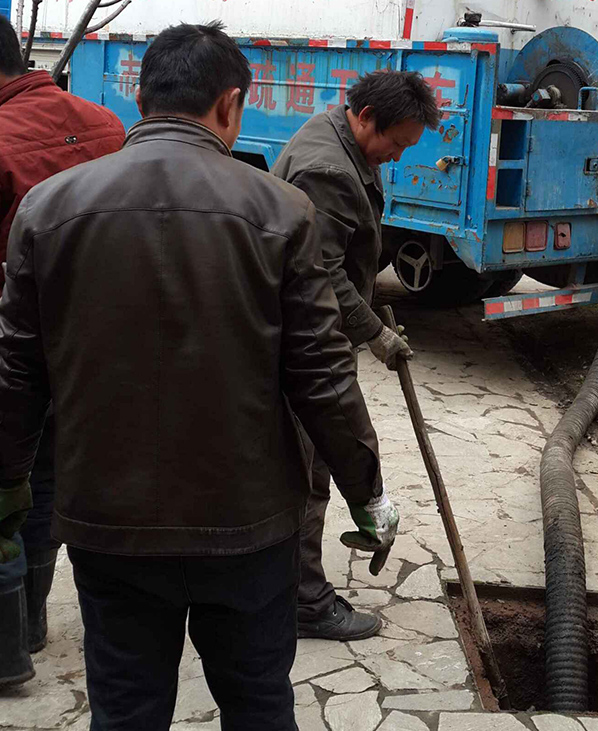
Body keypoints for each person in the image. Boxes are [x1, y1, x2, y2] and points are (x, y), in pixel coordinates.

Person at [0, 21, 398, 731]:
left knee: (126, 709)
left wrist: (7, 488)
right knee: (258, 703)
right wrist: (366, 492)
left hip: (109, 522)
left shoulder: (47, 209)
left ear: (140, 99)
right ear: (230, 103)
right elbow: (323, 377)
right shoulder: (281, 211)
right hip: (246, 525)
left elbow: (16, 374)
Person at [272, 70, 439, 641]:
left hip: (308, 334)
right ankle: (303, 602)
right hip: (305, 343)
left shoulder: (338, 138)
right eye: (395, 143)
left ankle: (291, 589)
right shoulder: (330, 170)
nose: (396, 156)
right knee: (309, 472)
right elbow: (321, 272)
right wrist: (375, 333)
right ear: (365, 117)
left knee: (310, 465)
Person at [0, 14, 125, 687]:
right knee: (46, 479)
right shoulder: (105, 124)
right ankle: (33, 622)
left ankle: (8, 649)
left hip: (12, 346)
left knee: (6, 485)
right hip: (89, 348)